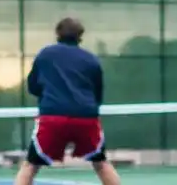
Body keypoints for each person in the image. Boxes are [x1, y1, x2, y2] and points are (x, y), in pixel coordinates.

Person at [14, 18, 120, 185]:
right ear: (80, 35)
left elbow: (33, 86)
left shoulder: (45, 55)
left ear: (58, 33)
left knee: (30, 166)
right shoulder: (91, 60)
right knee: (101, 164)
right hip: (86, 117)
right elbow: (97, 94)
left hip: (53, 117)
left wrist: (49, 98)